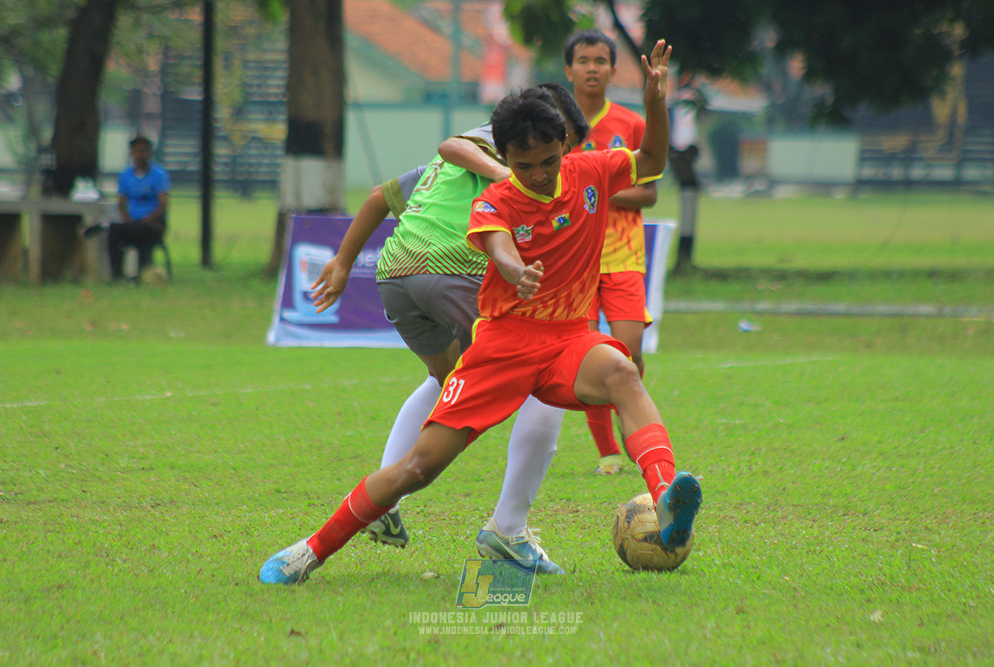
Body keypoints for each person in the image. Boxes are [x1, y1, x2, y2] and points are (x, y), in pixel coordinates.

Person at [259, 39, 703, 586]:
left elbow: (654, 162)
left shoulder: (592, 171)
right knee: (417, 469)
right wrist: (515, 270)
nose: (538, 174)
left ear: (565, 145)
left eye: (547, 161)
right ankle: (310, 550)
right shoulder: (495, 201)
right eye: (523, 165)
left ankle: (665, 502)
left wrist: (656, 100)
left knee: (622, 371)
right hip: (503, 345)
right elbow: (496, 244)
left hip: (567, 340)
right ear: (502, 158)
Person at [307, 84, 589, 575]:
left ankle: (385, 503)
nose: (545, 170)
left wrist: (344, 262)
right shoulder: (510, 157)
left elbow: (380, 196)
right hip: (452, 268)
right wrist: (511, 176)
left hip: (396, 271)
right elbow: (454, 144)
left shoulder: (461, 169)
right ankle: (509, 529)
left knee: (446, 382)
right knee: (542, 377)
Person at [564, 30, 660, 475]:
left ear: (612, 69)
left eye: (600, 61)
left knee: (628, 350)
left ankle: (631, 418)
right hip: (576, 261)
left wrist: (600, 186)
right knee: (588, 354)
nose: (591, 68)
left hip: (623, 256)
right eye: (583, 60)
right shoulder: (555, 130)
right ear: (569, 70)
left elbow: (648, 195)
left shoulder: (630, 124)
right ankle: (608, 451)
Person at [85, 136, 170, 280]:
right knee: (114, 235)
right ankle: (117, 276)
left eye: (143, 151)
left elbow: (163, 205)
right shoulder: (125, 176)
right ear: (131, 153)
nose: (140, 155)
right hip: (131, 223)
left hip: (152, 224)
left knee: (140, 232)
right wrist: (128, 219)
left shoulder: (159, 175)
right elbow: (121, 203)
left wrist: (147, 219)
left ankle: (142, 273)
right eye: (136, 151)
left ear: (149, 153)